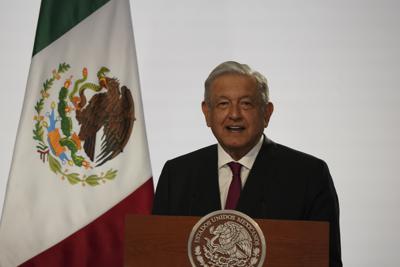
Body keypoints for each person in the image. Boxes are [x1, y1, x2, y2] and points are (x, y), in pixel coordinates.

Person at [152, 61, 342, 266]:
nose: (234, 114)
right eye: (223, 103)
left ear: (267, 113)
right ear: (207, 113)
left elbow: (326, 261)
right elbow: (156, 256)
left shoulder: (308, 175)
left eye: (246, 104)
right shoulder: (177, 175)